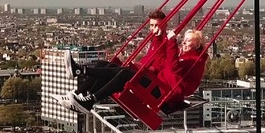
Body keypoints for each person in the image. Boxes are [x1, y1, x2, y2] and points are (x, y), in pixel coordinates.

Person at [61, 27, 208, 114]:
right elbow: (162, 61)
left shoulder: (195, 61)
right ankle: (82, 93)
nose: (184, 42)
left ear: (198, 44)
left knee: (125, 74)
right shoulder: (185, 57)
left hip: (162, 92)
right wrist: (158, 39)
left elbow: (174, 71)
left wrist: (171, 44)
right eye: (184, 40)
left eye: (188, 40)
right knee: (107, 65)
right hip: (159, 86)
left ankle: (85, 86)